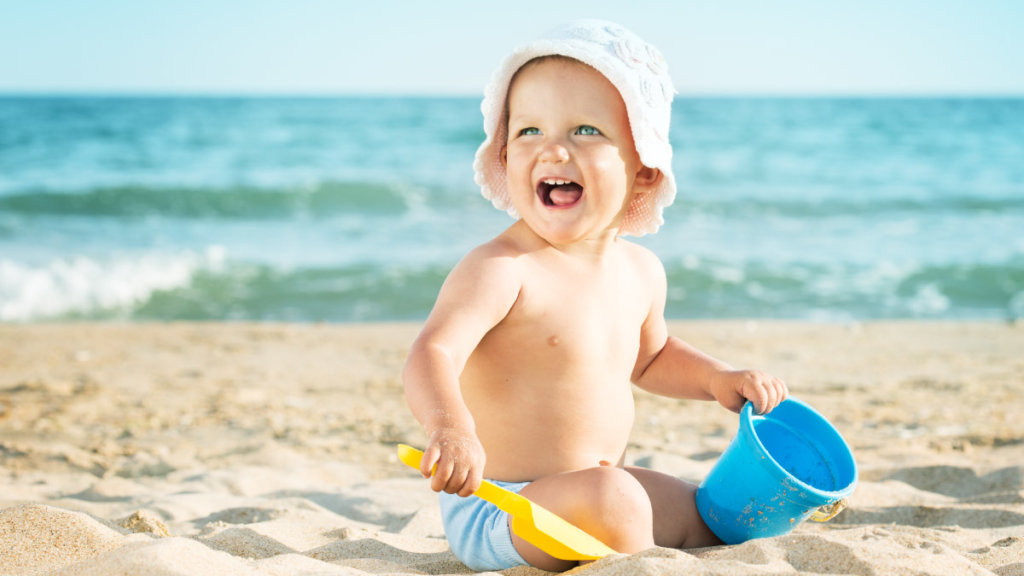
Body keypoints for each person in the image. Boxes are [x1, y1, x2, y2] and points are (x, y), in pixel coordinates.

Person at [403, 20, 788, 572]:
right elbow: (433, 351)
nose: (553, 150)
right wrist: (450, 429)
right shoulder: (502, 268)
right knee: (617, 499)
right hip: (503, 508)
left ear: (644, 170)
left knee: (716, 513)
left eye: (585, 130)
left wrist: (719, 380)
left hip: (598, 494)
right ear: (504, 155)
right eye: (529, 131)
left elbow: (651, 357)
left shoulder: (641, 271)